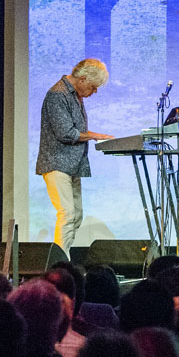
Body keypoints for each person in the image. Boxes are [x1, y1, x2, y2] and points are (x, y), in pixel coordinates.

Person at [34, 58, 114, 254]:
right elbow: (66, 133)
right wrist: (95, 135)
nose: (94, 92)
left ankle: (64, 257)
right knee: (67, 214)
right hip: (56, 162)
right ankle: (60, 263)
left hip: (72, 165)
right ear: (83, 79)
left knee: (76, 216)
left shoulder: (75, 95)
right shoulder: (57, 95)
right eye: (93, 87)